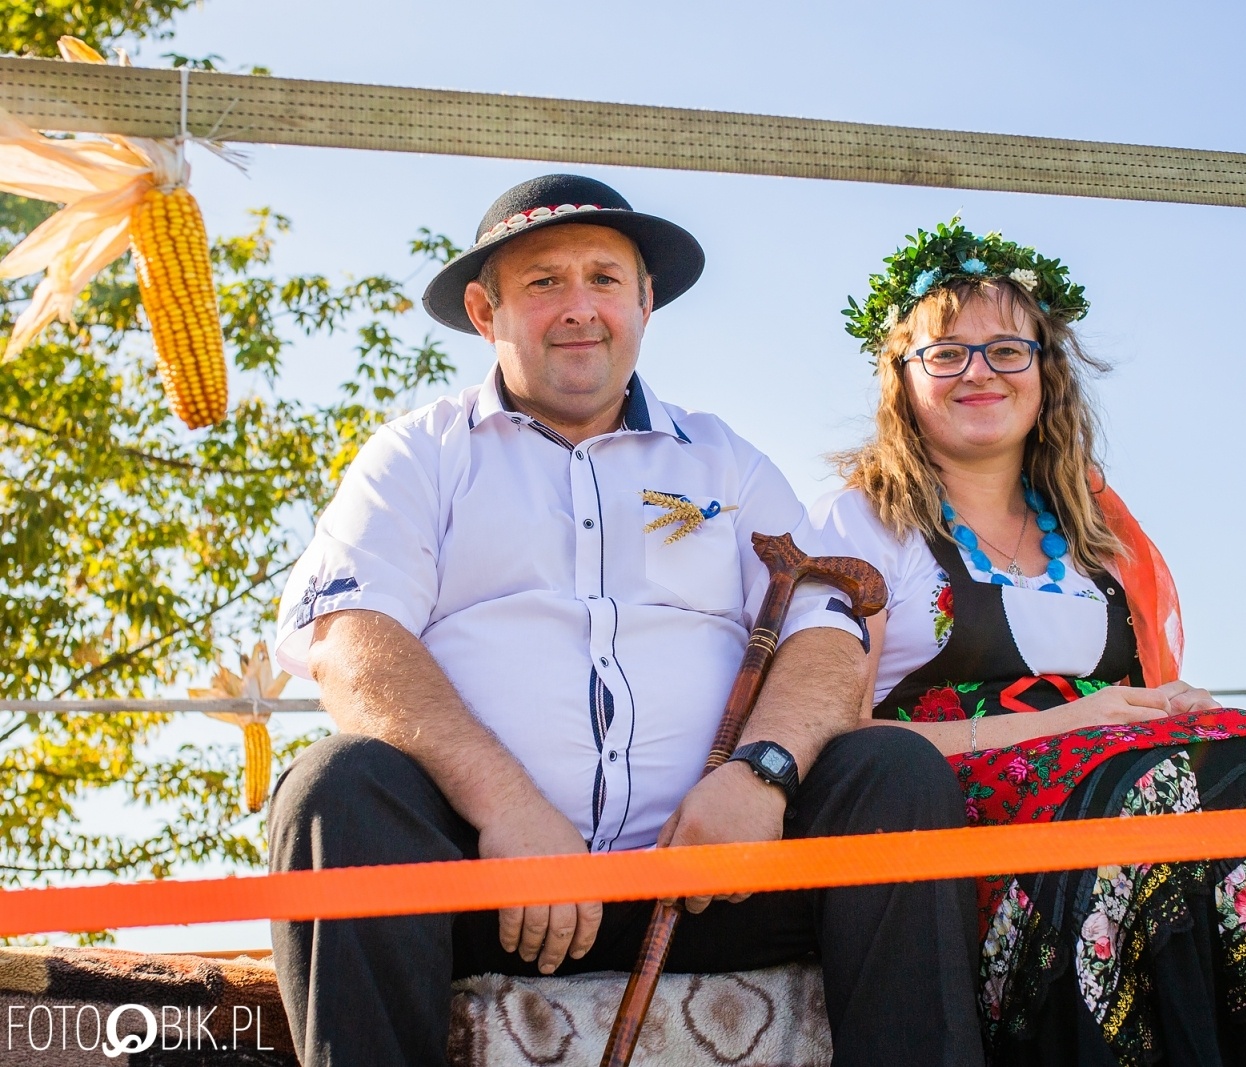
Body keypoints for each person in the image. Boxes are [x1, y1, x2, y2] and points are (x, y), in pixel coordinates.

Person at [267, 175, 984, 1067]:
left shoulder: (727, 461)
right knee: (336, 785)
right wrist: (509, 811)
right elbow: (352, 638)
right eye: (544, 283)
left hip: (713, 883)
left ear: (645, 303)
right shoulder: (419, 455)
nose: (580, 309)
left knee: (893, 771)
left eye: (605, 279)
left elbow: (828, 635)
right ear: (487, 310)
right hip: (490, 884)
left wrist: (758, 778)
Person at [812, 220, 1246, 1067]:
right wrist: (1072, 726)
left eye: (1005, 350)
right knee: (1146, 792)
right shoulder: (866, 524)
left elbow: (1133, 707)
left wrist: (1166, 708)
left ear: (1044, 371)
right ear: (902, 380)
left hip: (1120, 773)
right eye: (945, 353)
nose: (978, 371)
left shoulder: (1096, 534)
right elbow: (838, 746)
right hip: (963, 808)